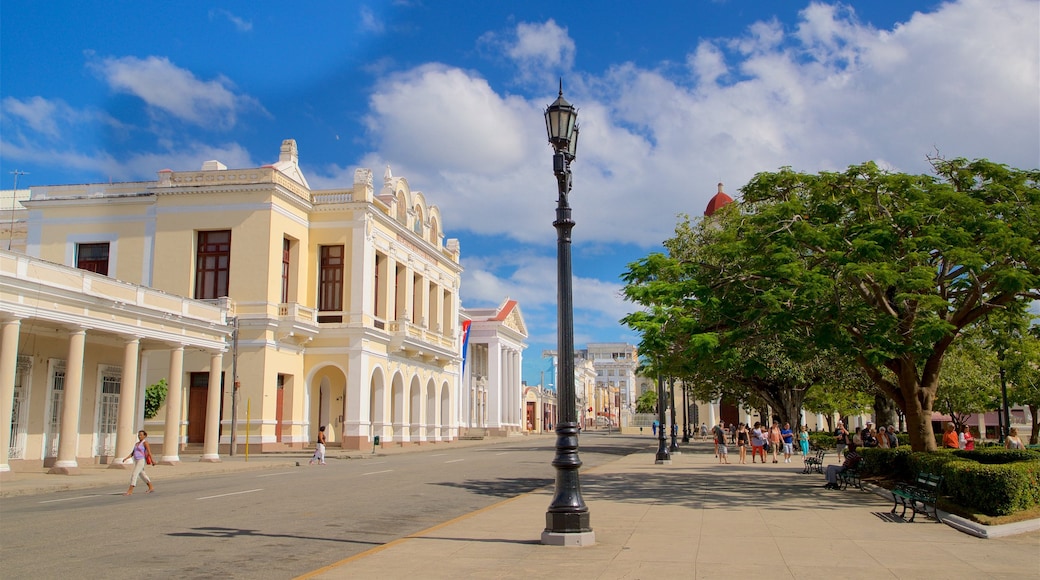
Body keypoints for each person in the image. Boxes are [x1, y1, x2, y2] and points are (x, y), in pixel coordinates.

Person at [124, 430, 155, 496]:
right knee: (143, 475)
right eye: (139, 435)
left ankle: (130, 490)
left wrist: (152, 460)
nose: (139, 436)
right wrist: (126, 458)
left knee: (134, 474)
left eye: (141, 435)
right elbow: (132, 453)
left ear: (144, 436)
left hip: (141, 460)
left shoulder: (145, 443)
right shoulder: (136, 444)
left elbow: (149, 452)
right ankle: (151, 487)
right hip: (136, 460)